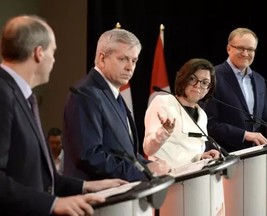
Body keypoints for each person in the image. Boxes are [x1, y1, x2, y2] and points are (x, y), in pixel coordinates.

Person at [0, 15, 128, 216]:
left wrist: (85, 186)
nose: (54, 59)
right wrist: (52, 204)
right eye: (53, 52)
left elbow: (39, 174)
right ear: (39, 53)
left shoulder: (21, 95)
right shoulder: (3, 94)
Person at [63, 28, 171, 182]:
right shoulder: (85, 94)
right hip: (93, 199)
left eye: (134, 61)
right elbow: (90, 156)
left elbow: (126, 154)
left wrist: (151, 165)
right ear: (102, 59)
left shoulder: (112, 95)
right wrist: (144, 172)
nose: (130, 67)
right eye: (123, 59)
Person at [202, 27, 267, 152]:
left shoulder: (260, 80)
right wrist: (245, 135)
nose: (245, 53)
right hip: (225, 155)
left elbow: (263, 120)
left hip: (256, 154)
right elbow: (209, 124)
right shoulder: (212, 77)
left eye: (250, 49)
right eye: (240, 48)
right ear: (228, 49)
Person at [143, 58, 220, 169]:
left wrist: (201, 157)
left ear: (209, 88)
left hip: (195, 178)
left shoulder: (202, 115)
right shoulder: (163, 103)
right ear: (183, 79)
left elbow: (187, 152)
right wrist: (164, 132)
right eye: (193, 79)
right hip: (167, 177)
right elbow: (148, 149)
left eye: (204, 83)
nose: (198, 85)